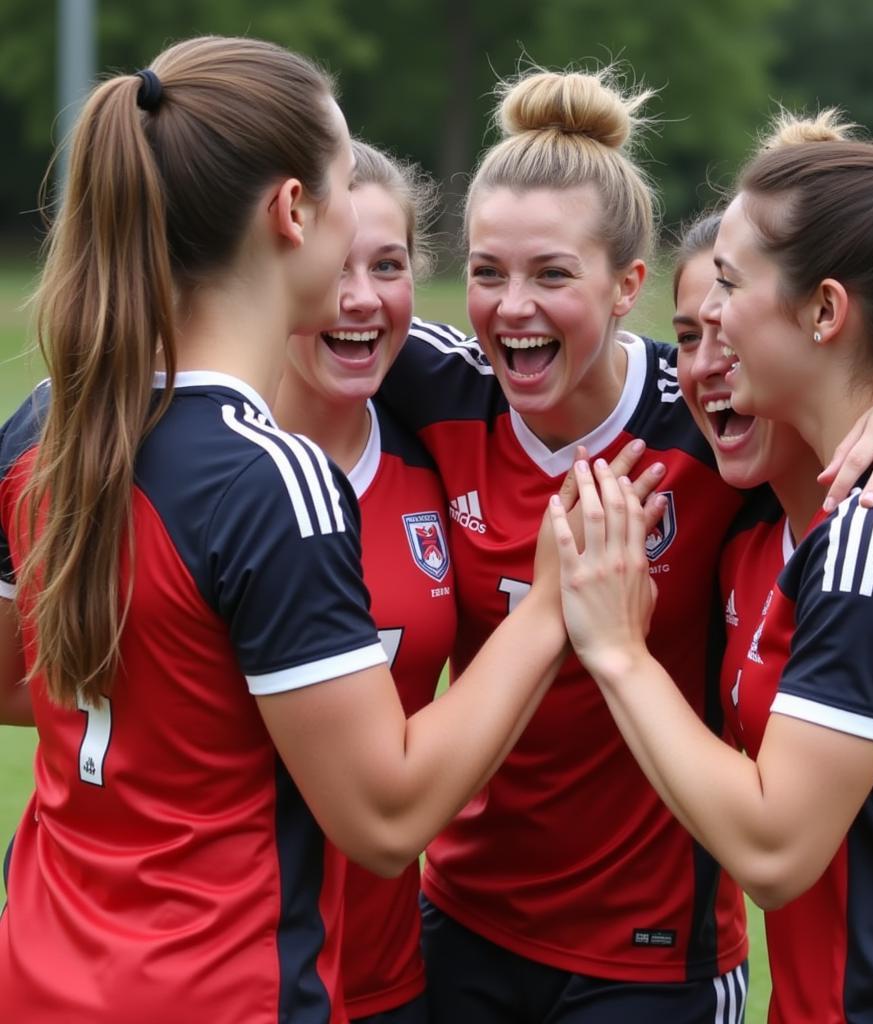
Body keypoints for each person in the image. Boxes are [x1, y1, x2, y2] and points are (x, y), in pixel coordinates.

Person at [0, 37, 591, 1024]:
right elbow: (385, 816)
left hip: (44, 977)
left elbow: (20, 683)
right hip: (221, 993)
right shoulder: (274, 481)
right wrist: (551, 606)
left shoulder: (47, 422)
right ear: (292, 212)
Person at [551, 129, 873, 1021]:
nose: (713, 318)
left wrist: (617, 650)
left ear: (825, 312)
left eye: (729, 284)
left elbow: (773, 851)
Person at [378, 66, 751, 1022]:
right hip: (461, 917)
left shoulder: (707, 416)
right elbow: (266, 323)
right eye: (487, 272)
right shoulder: (434, 386)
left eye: (552, 275)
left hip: (653, 953)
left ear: (629, 285)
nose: (511, 308)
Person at [273, 138, 449, 1024]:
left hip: (391, 981)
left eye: (390, 265)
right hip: (239, 978)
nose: (362, 299)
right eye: (337, 267)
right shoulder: (201, 466)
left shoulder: (438, 442)